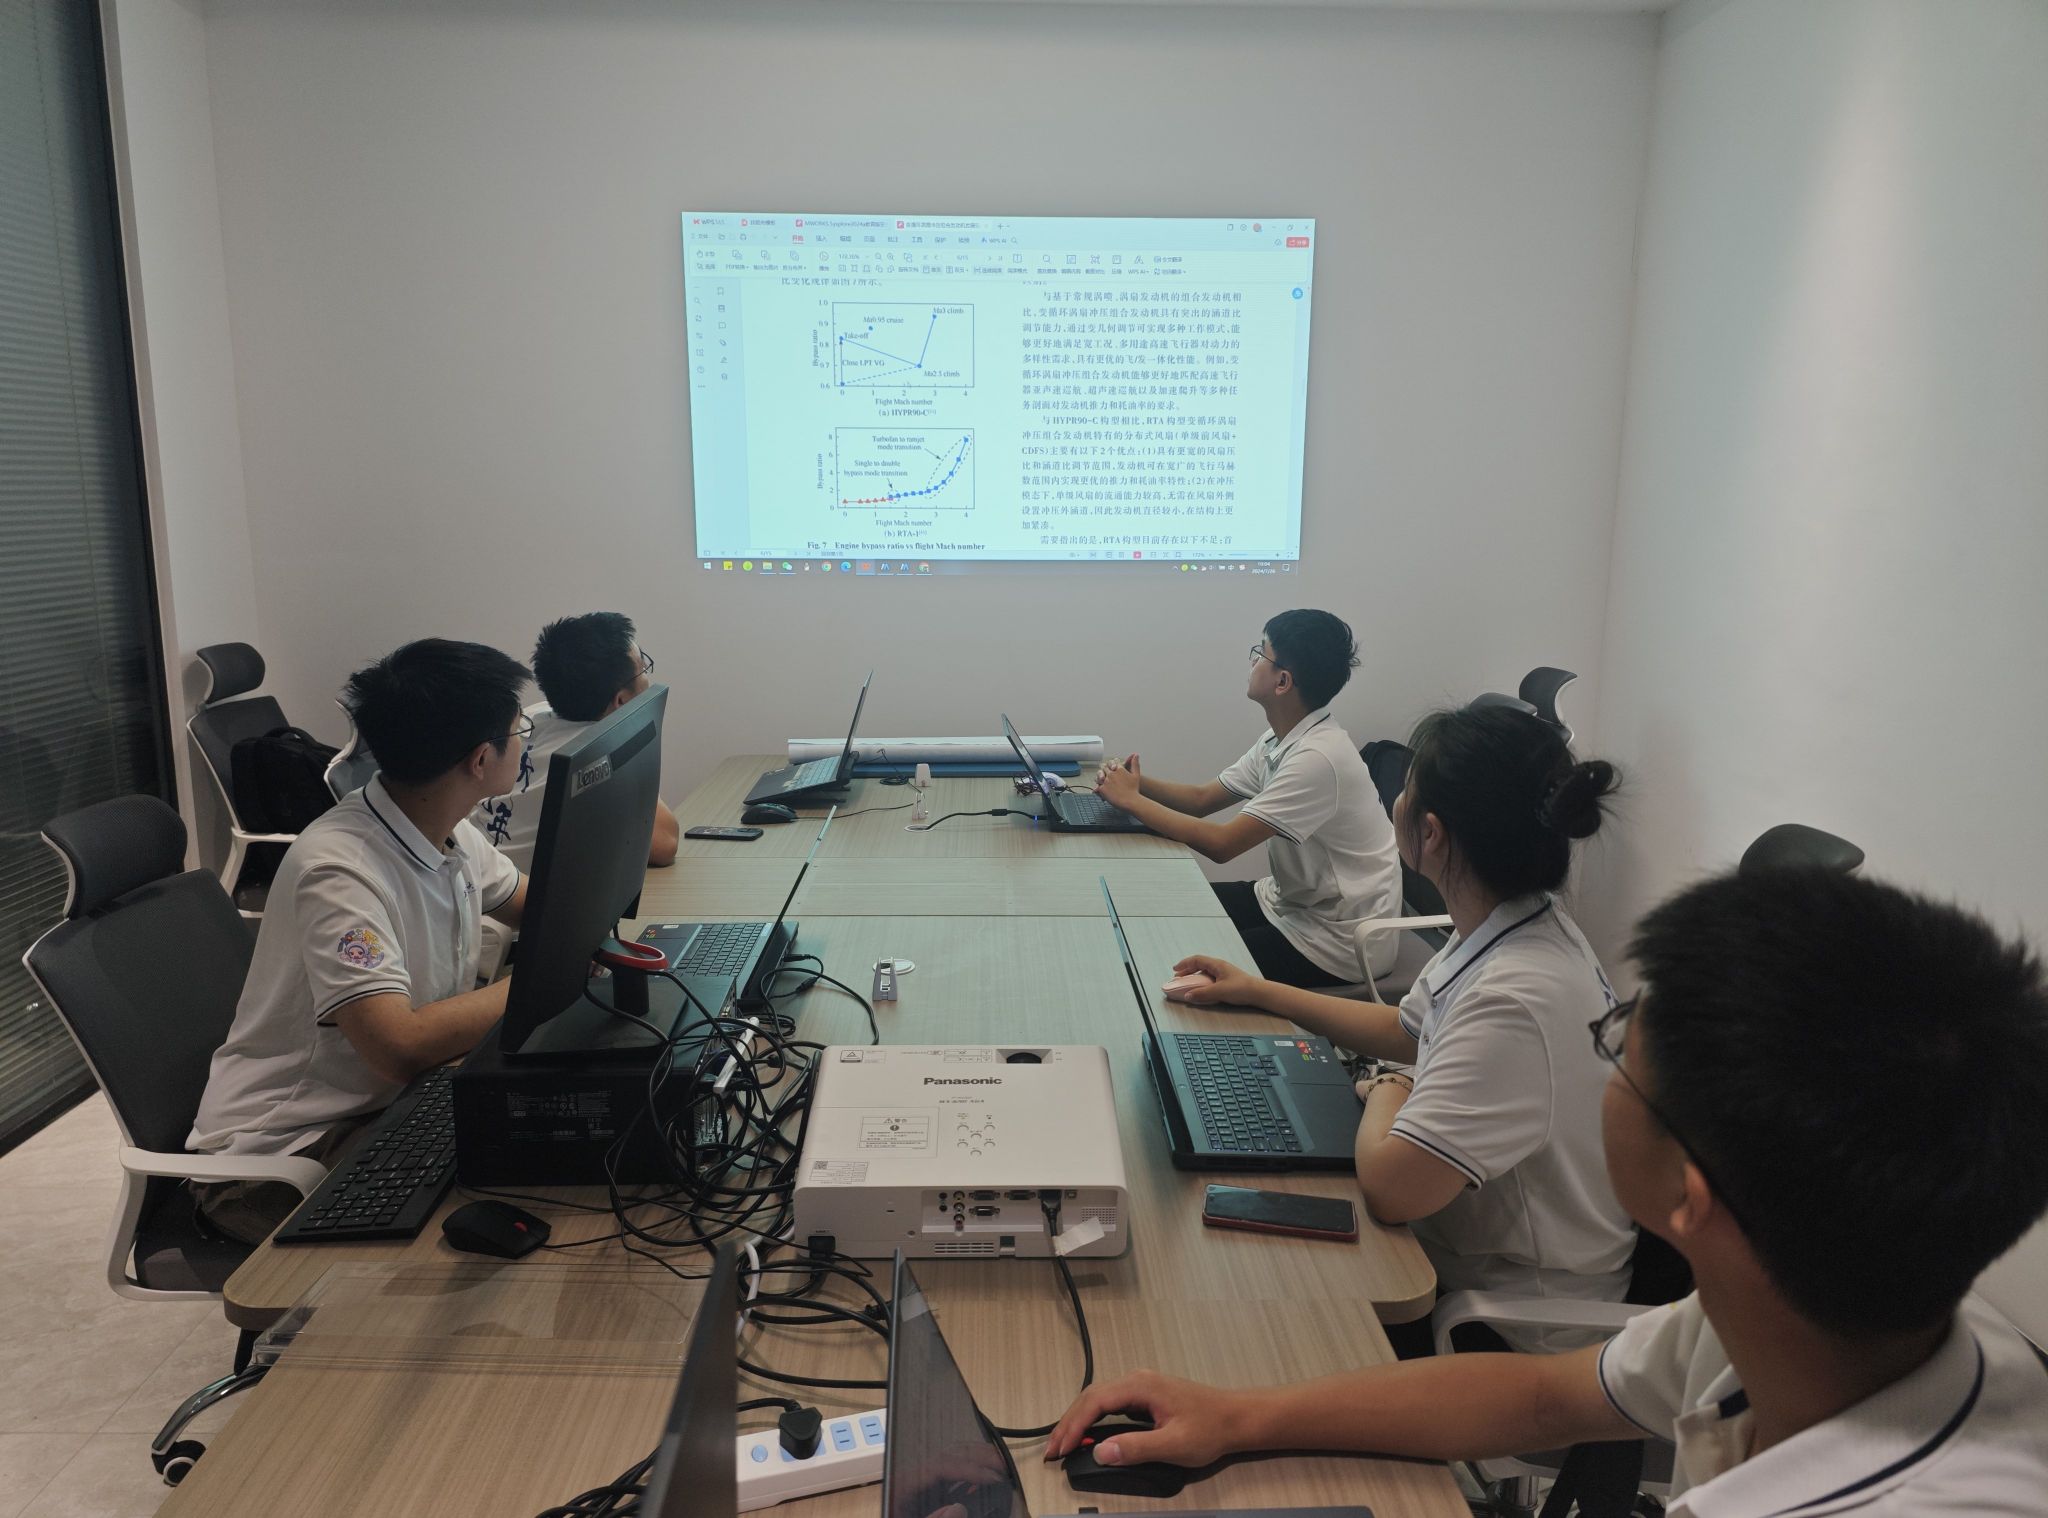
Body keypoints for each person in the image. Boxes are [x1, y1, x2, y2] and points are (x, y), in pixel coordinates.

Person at [1048, 869, 2048, 1513]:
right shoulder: (1798, 1318)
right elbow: (1536, 1397)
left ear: (1690, 1196)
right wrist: (1238, 1417)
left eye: (1616, 1047)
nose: (1604, 1056)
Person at [1174, 701, 1632, 1347]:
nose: (1394, 802)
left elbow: (1392, 1190)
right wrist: (1261, 992)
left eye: (1405, 790)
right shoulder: (1515, 925)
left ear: (1431, 833)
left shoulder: (1517, 997)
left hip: (1510, 1321)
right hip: (1456, 1246)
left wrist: (1390, 1084)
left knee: (1240, 1299)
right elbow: (1409, 1032)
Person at [187, 639, 533, 1242]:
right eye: (519, 730)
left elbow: (537, 905)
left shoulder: (438, 823)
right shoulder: (340, 871)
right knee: (518, 1195)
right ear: (481, 759)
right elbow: (401, 1046)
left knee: (551, 1144)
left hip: (388, 1106)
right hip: (280, 1157)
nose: (525, 741)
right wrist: (543, 980)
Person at [1093, 610, 1400, 988]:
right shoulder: (1282, 739)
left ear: (1283, 681)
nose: (1253, 662)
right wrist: (1134, 784)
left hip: (1340, 941)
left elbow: (1223, 845)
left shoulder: (1318, 759)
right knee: (1166, 913)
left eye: (1261, 653)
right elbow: (1201, 799)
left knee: (1177, 961)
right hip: (1289, 903)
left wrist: (1132, 801)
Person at [474, 611, 679, 872]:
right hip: (514, 890)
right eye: (643, 668)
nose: (648, 679)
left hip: (479, 870)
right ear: (621, 701)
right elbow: (664, 843)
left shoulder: (534, 715)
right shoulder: (597, 752)